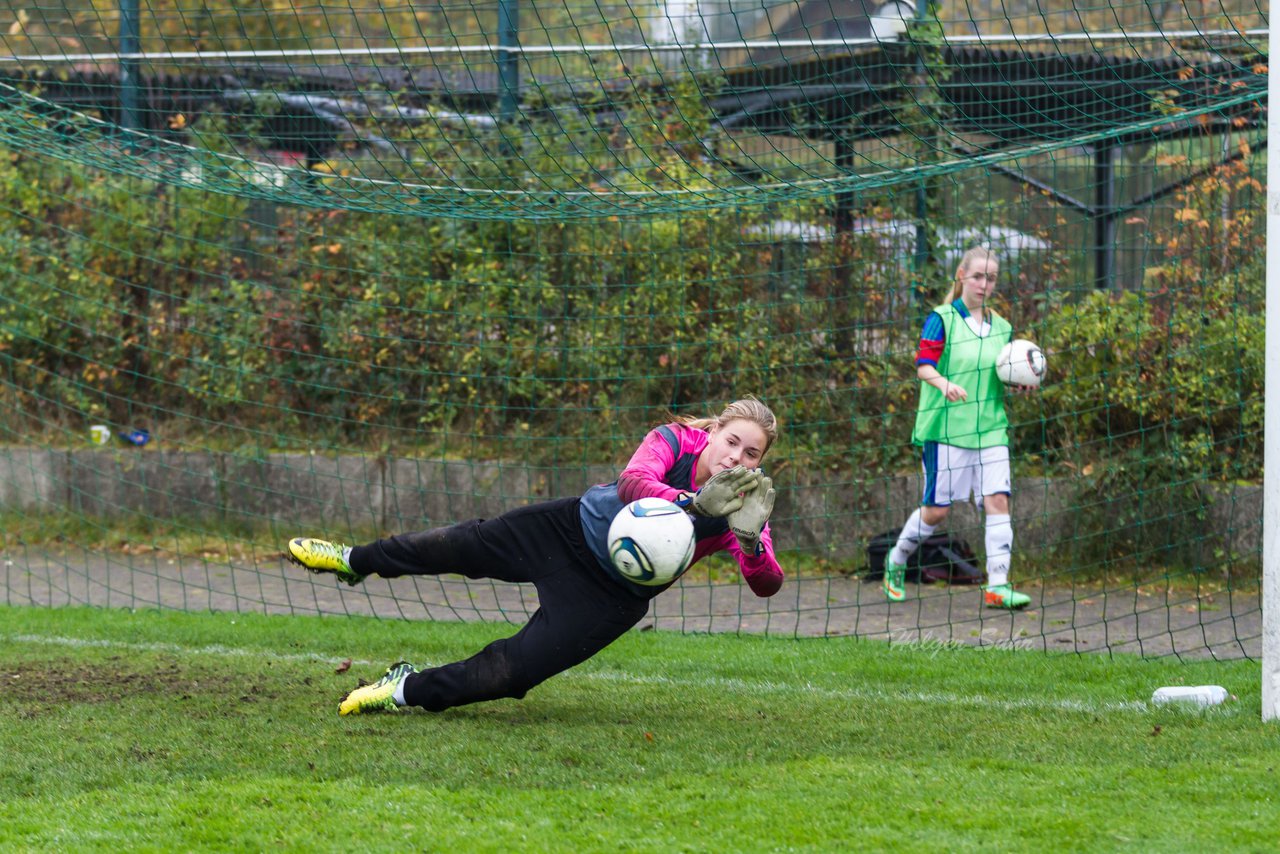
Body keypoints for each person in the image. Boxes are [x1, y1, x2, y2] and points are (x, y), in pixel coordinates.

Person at [287, 397, 783, 715]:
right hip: (564, 530)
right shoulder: (674, 439)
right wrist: (691, 504)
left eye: (751, 453)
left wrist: (750, 540)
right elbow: (635, 483)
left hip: (609, 599)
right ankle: (354, 560)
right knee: (459, 545)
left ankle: (401, 689)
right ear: (715, 432)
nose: (736, 458)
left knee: (512, 673)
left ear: (760, 462)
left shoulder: (746, 506)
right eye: (732, 441)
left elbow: (767, 583)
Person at [883, 247, 1032, 610]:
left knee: (998, 501)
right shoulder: (942, 318)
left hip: (991, 430)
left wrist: (1019, 383)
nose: (984, 284)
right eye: (978, 276)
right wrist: (943, 383)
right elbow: (923, 366)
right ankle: (897, 560)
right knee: (937, 511)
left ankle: (998, 586)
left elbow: (1000, 375)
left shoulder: (1003, 328)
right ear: (962, 275)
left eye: (991, 278)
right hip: (946, 431)